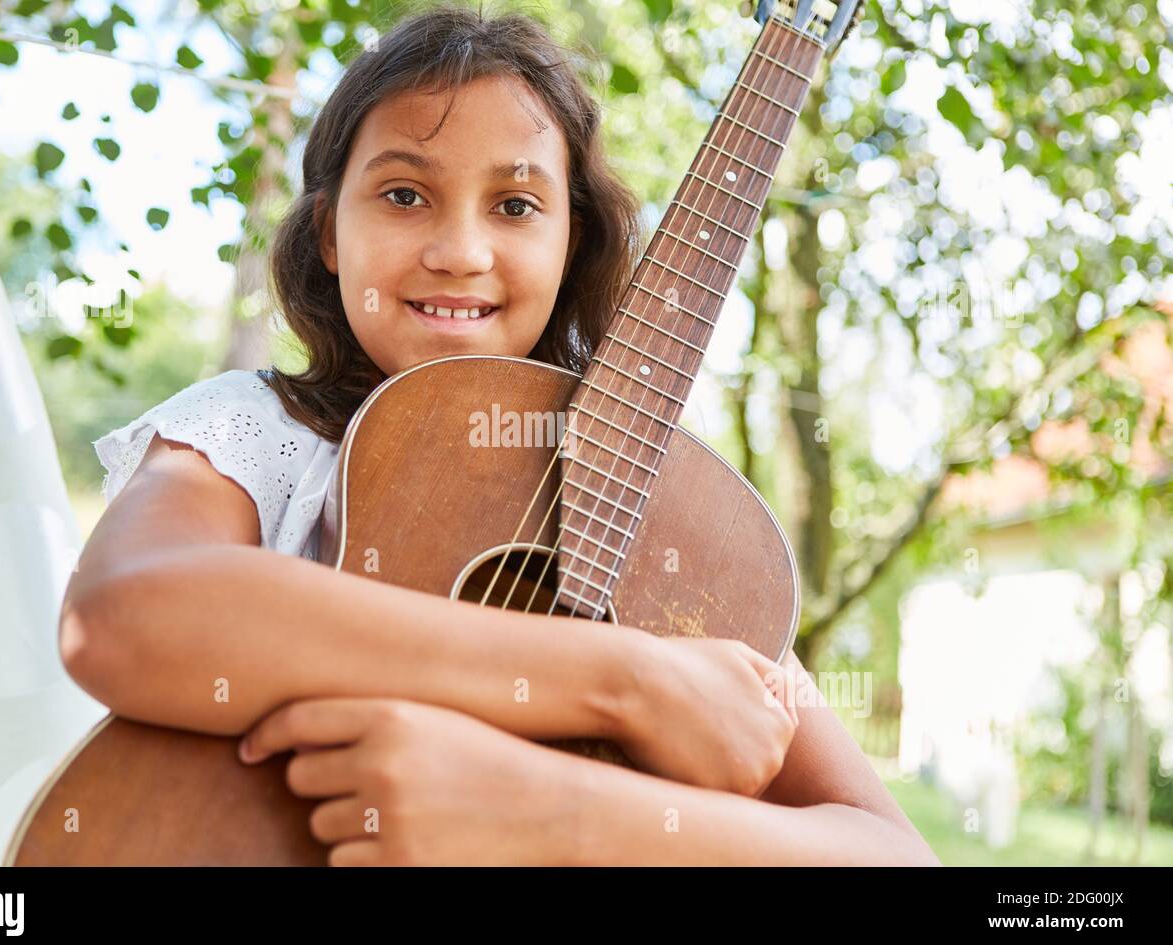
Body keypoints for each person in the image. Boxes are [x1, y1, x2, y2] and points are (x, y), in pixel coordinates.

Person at [61, 2, 939, 866]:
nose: (460, 250)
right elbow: (121, 614)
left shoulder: (682, 531)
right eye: (405, 194)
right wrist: (623, 679)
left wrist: (557, 809)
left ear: (572, 239)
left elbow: (893, 857)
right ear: (329, 233)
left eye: (516, 205)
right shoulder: (253, 427)